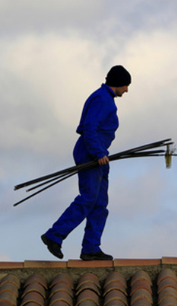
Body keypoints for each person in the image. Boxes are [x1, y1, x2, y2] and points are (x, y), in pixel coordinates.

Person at [41, 65, 131, 260]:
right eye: (126, 85)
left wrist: (101, 154)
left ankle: (91, 247)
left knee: (100, 203)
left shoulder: (105, 98)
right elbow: (89, 127)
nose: (127, 90)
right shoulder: (102, 99)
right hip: (91, 153)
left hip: (99, 155)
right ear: (118, 83)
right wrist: (98, 152)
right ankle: (54, 236)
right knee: (88, 198)